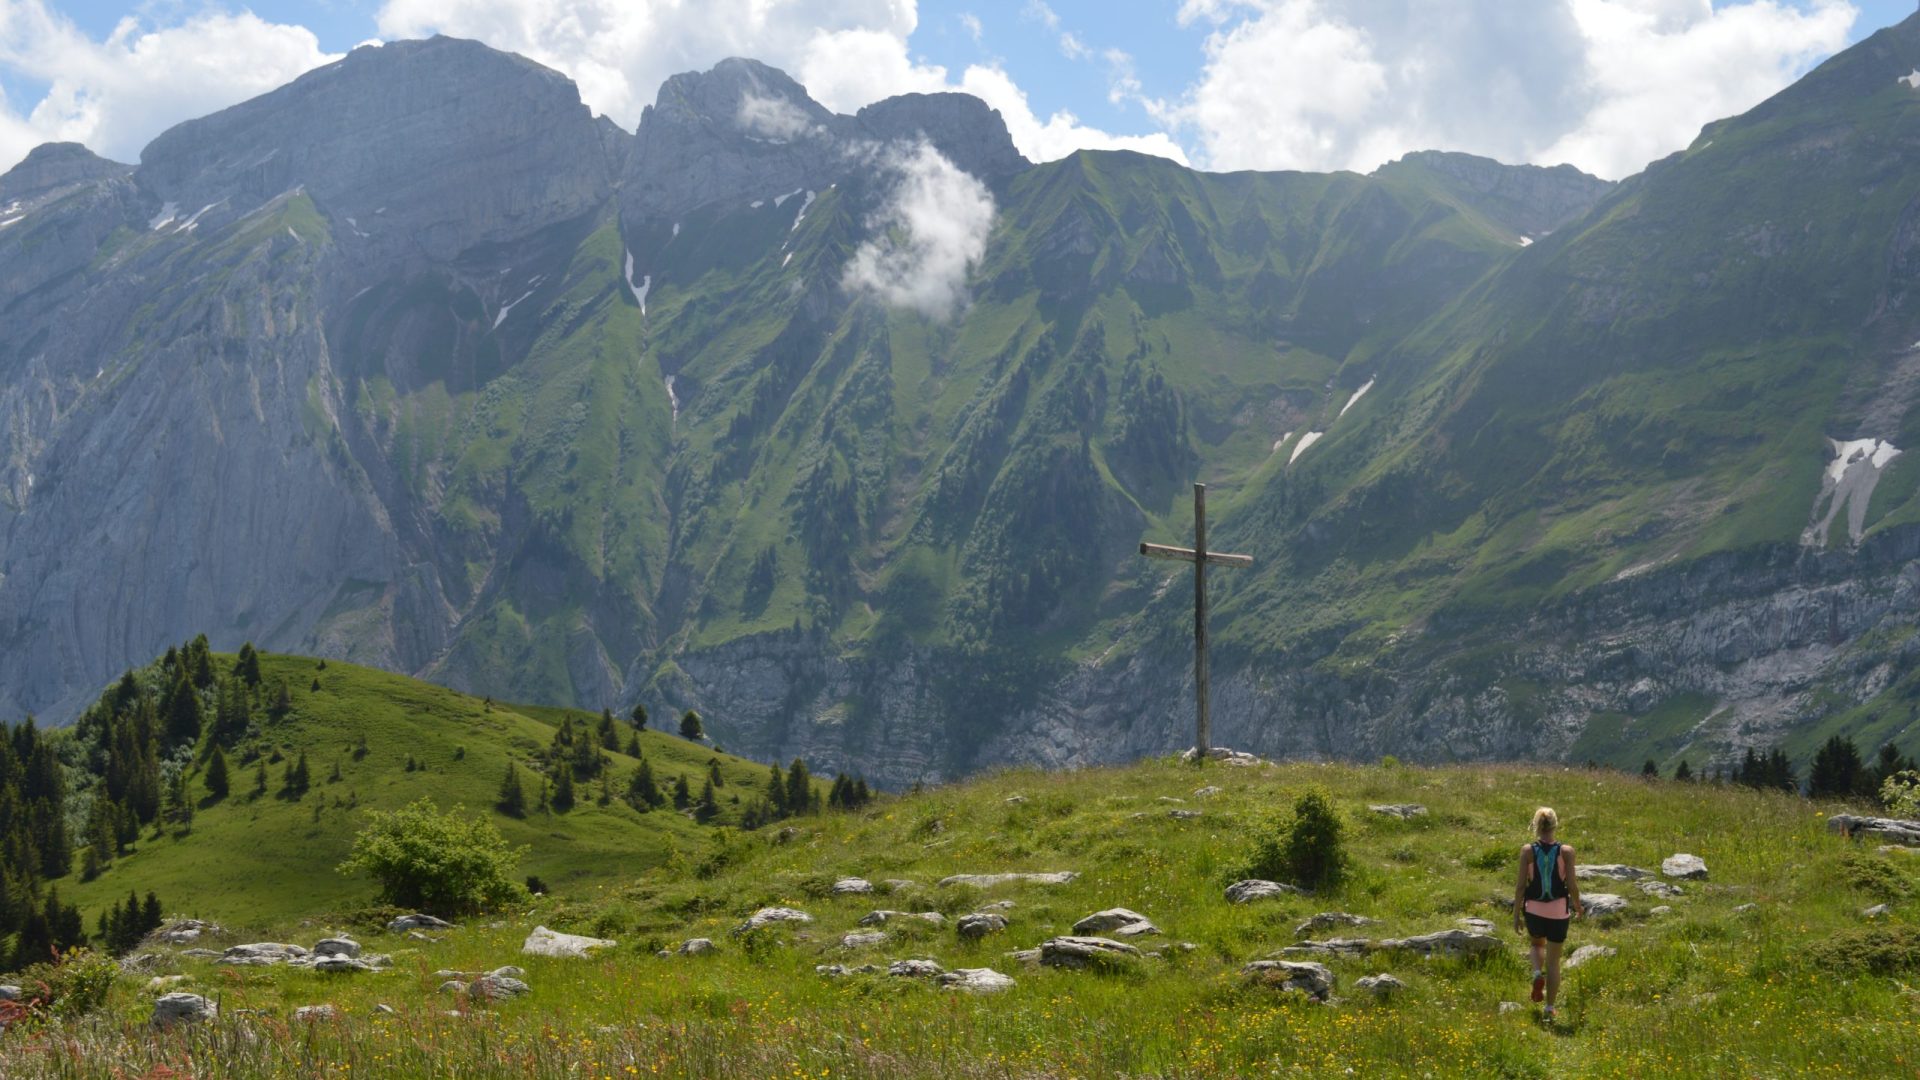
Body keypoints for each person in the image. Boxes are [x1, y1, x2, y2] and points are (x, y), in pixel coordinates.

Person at [1512, 806, 1582, 1020]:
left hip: (1533, 909)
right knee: (1554, 962)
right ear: (1555, 824)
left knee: (1535, 945)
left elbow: (1521, 886)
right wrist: (1578, 906)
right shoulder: (1567, 852)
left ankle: (1535, 973)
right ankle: (1550, 1008)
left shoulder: (1527, 851)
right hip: (1558, 912)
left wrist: (1516, 914)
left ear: (1536, 825)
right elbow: (1571, 884)